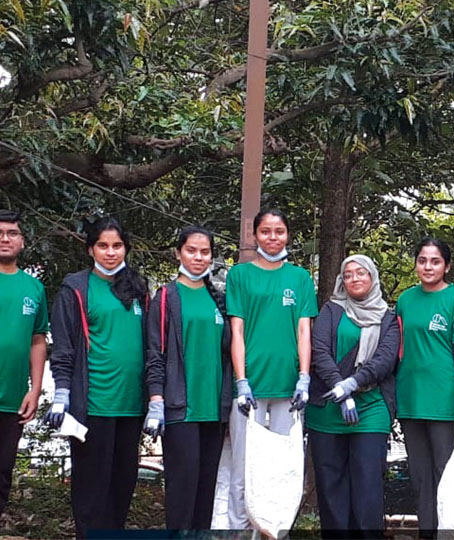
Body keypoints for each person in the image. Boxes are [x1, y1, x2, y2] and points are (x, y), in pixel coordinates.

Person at [45, 216, 148, 538]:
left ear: (126, 249)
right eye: (103, 245)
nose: (110, 252)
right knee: (92, 494)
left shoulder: (138, 289)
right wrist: (61, 394)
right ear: (91, 249)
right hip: (92, 407)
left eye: (117, 246)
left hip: (131, 407)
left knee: (121, 490)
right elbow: (62, 348)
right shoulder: (75, 288)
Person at [225, 209, 318, 529]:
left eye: (279, 231)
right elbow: (237, 330)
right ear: (254, 236)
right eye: (266, 231)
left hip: (288, 389)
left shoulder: (300, 278)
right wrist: (241, 381)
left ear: (288, 235)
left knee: (282, 470)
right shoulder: (240, 275)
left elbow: (304, 330)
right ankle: (240, 531)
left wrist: (304, 377)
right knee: (243, 469)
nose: (273, 237)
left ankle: (275, 531)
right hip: (250, 388)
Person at [144, 226, 233, 530]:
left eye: (205, 252)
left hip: (214, 410)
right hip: (180, 409)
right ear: (178, 253)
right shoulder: (166, 297)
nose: (198, 257)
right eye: (191, 250)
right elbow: (155, 352)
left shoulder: (218, 299)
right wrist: (156, 399)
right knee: (183, 490)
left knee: (205, 492)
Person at [308, 254, 400, 537]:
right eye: (348, 275)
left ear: (372, 277)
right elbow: (319, 351)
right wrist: (340, 388)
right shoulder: (331, 310)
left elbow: (385, 359)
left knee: (368, 484)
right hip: (327, 408)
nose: (354, 279)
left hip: (372, 407)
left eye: (361, 273)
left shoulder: (389, 318)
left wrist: (353, 384)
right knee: (330, 484)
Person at [395, 237, 454, 538]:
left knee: (446, 473)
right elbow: (400, 347)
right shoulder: (405, 299)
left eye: (435, 261)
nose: (428, 266)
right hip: (410, 397)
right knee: (419, 476)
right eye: (422, 260)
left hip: (444, 398)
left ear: (447, 266)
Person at [0, 210, 47, 516]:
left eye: (12, 233)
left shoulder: (34, 288)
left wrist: (36, 388)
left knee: (2, 474)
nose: (5, 239)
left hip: (13, 398)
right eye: (0, 233)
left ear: (22, 241)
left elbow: (38, 339)